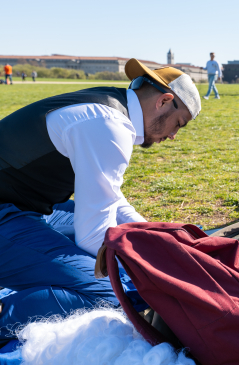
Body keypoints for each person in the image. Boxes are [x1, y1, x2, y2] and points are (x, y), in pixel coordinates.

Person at [0, 58, 201, 343]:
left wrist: (155, 237)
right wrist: (151, 268)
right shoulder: (109, 125)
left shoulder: (108, 107)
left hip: (23, 207)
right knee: (109, 293)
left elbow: (110, 199)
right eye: (178, 124)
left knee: (122, 242)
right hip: (8, 213)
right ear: (164, 101)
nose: (172, 135)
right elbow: (93, 234)